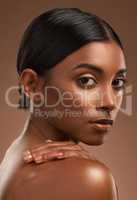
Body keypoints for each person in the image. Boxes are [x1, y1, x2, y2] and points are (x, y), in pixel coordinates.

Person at [0, 7, 127, 200]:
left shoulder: (13, 156)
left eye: (117, 83)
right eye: (86, 81)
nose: (109, 102)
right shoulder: (88, 178)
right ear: (32, 84)